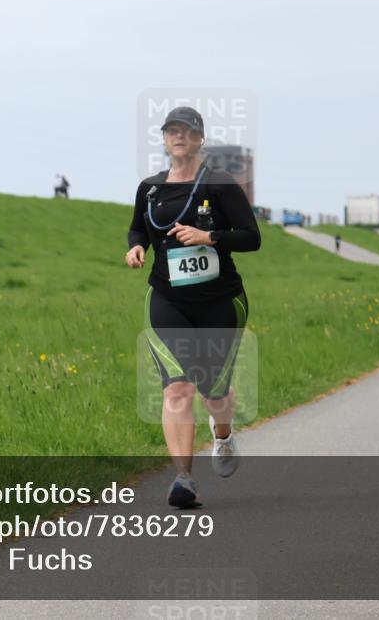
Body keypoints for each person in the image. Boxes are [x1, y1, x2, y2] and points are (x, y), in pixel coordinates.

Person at [125, 106, 261, 509]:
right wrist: (136, 246)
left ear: (200, 138)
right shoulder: (150, 187)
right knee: (179, 386)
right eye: (171, 131)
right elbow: (138, 225)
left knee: (213, 392)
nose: (178, 136)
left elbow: (251, 238)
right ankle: (183, 479)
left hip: (220, 301)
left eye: (186, 131)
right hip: (167, 298)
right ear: (164, 139)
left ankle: (222, 433)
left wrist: (209, 235)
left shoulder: (220, 184)